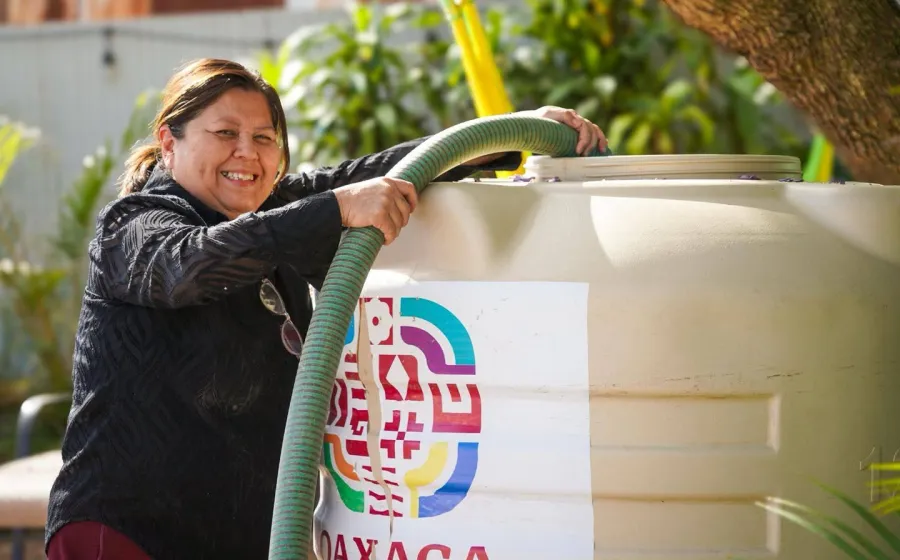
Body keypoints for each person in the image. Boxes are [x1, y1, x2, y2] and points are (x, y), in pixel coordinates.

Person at [44, 57, 608, 559]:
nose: (248, 152)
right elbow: (188, 265)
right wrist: (335, 209)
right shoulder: (136, 225)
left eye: (265, 138)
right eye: (225, 133)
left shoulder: (278, 210)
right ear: (169, 142)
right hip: (126, 532)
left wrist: (516, 135)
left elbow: (385, 174)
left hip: (231, 535)